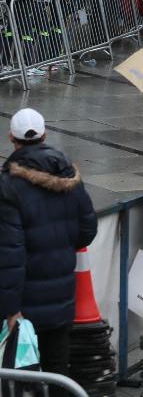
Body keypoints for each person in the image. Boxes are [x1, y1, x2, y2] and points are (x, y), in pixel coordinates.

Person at [0, 108, 97, 385]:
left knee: (21, 374)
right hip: (62, 297)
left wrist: (9, 309)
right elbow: (87, 230)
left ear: (11, 138)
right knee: (57, 368)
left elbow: (9, 254)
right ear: (44, 135)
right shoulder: (69, 176)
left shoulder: (8, 185)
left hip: (25, 303)